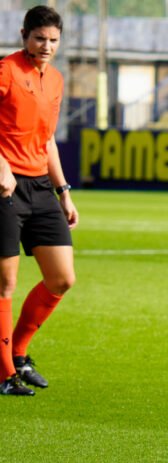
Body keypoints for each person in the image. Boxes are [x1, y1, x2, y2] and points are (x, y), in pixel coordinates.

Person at [0, 5, 79, 397]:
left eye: (52, 40)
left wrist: (63, 192)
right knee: (6, 282)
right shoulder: (6, 70)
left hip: (39, 188)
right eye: (38, 38)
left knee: (62, 277)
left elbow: (47, 140)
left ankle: (19, 353)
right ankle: (3, 373)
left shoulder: (56, 80)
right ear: (23, 35)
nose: (46, 46)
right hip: (4, 187)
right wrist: (0, 165)